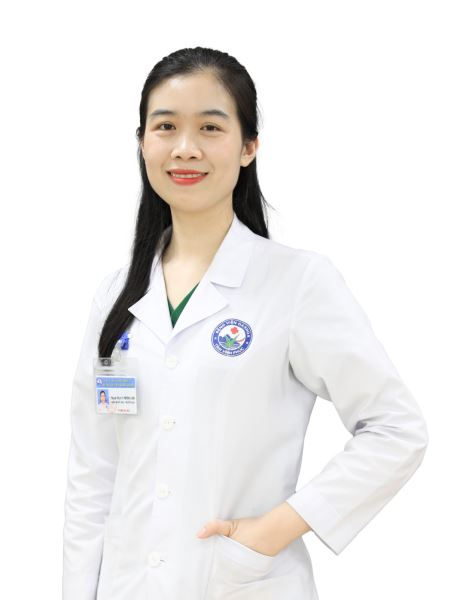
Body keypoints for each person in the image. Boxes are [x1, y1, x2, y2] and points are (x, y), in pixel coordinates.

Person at [62, 46, 429, 600]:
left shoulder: (297, 282)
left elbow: (396, 429)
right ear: (142, 142)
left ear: (249, 146)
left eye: (210, 127)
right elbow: (93, 475)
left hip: (241, 583)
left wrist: (277, 528)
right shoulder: (115, 297)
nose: (185, 148)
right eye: (166, 127)